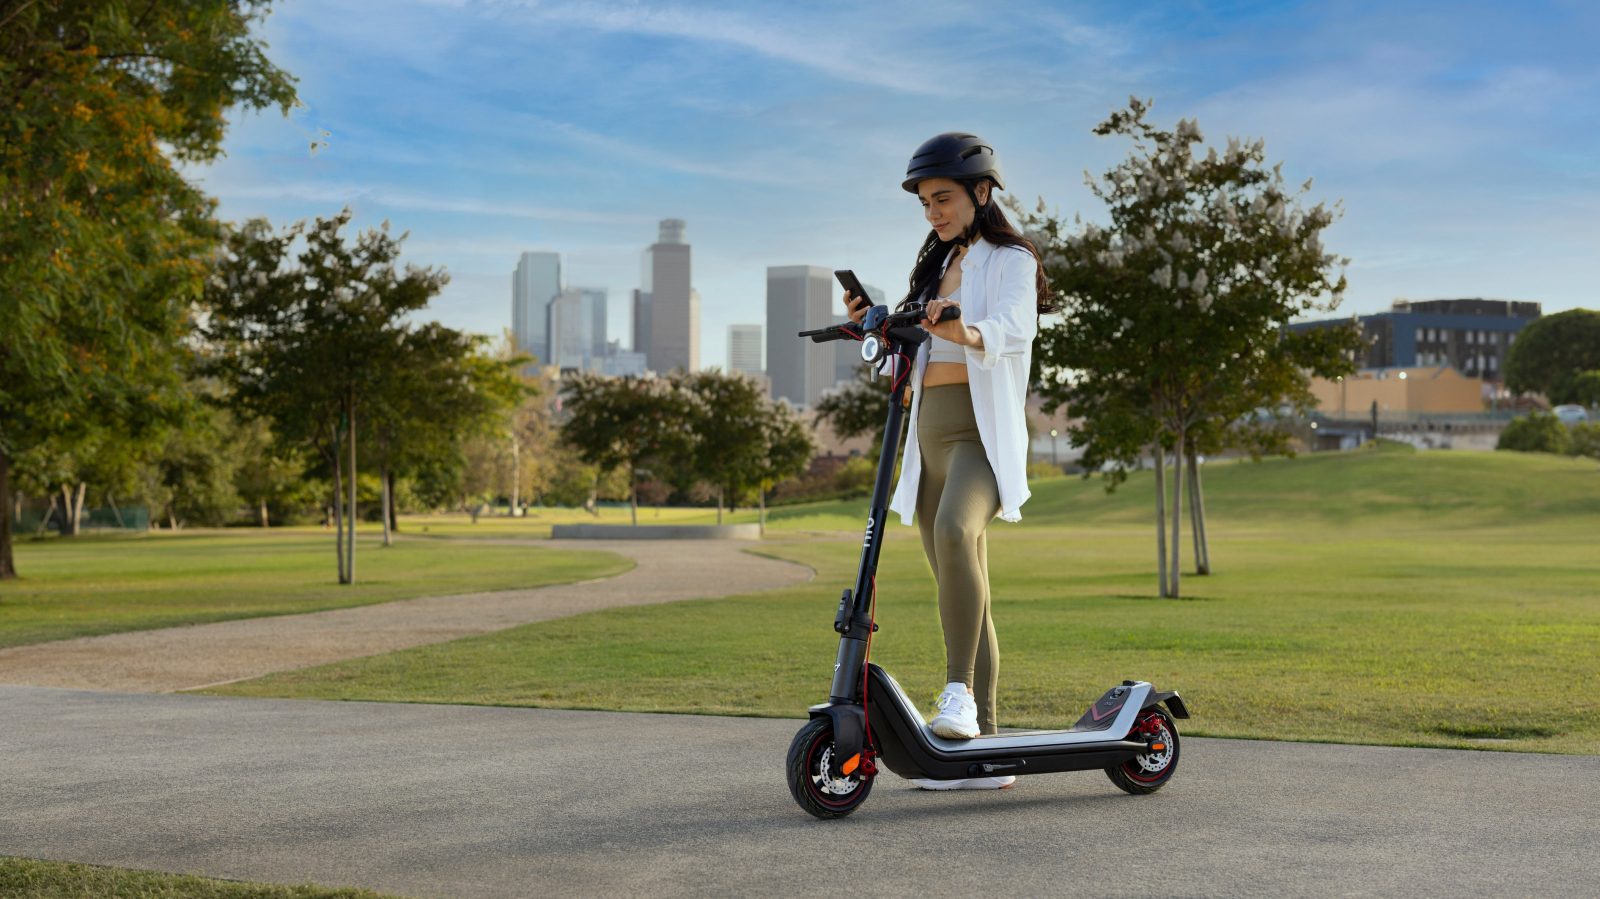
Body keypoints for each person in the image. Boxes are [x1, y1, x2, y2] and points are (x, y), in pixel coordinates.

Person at [843, 132, 1053, 790]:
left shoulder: (1009, 258)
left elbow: (1017, 325)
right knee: (963, 586)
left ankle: (958, 692)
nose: (933, 212)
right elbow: (909, 345)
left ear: (981, 192)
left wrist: (962, 328)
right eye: (925, 203)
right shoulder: (935, 267)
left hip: (978, 434)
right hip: (927, 437)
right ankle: (982, 749)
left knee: (957, 533)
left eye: (944, 198)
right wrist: (870, 324)